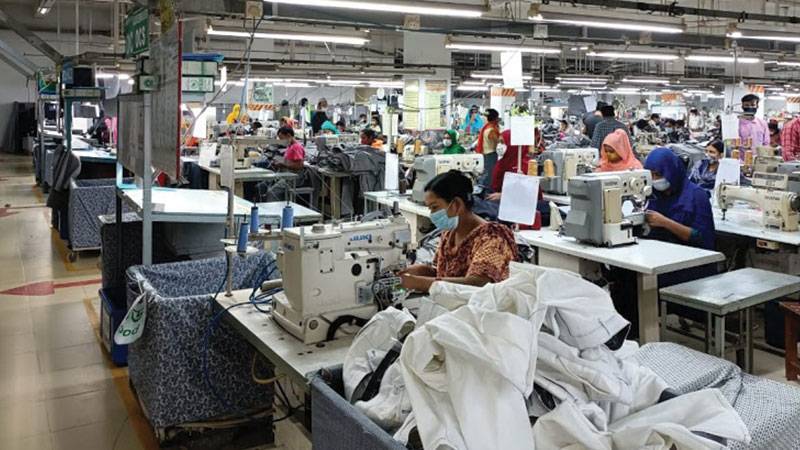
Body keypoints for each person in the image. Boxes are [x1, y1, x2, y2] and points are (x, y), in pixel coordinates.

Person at [398, 170, 517, 293]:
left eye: (435, 207)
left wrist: (416, 282)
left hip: (485, 309)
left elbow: (479, 283)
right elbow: (443, 274)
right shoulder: (450, 233)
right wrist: (418, 271)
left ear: (456, 204)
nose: (432, 214)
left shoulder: (493, 237)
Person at [644, 148, 715, 251]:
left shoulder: (696, 195)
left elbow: (703, 238)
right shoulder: (653, 194)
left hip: (691, 258)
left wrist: (665, 223)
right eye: (650, 176)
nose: (654, 180)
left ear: (671, 171)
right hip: (660, 253)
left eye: (658, 174)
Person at [489, 129, 530, 194]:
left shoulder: (524, 166)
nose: (499, 145)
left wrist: (502, 195)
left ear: (512, 145)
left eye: (502, 142)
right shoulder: (501, 163)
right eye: (499, 142)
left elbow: (526, 193)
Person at [476, 108, 501, 187]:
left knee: (488, 175)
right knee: (487, 175)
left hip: (489, 155)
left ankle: (486, 192)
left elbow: (499, 141)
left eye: (485, 117)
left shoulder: (490, 129)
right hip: (487, 155)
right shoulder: (489, 128)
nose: (483, 118)